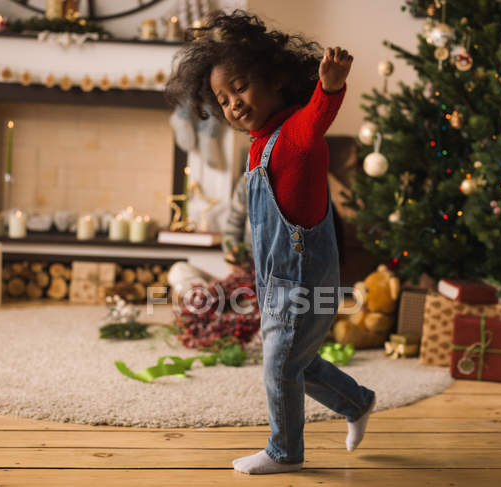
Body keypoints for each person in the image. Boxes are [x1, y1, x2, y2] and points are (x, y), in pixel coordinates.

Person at [166, 10, 376, 475]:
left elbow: (316, 118)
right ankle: (356, 402)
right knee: (292, 361)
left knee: (279, 366)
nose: (233, 103)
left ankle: (285, 451)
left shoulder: (297, 136)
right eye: (222, 98)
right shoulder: (258, 145)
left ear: (277, 79)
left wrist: (331, 87)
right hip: (274, 279)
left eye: (239, 86)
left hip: (302, 280)